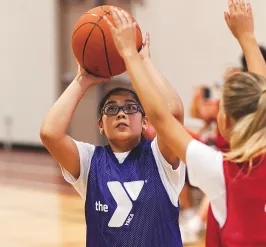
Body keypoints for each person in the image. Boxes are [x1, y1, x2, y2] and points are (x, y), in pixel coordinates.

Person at [104, 1, 266, 246]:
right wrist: (247, 37)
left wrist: (129, 56)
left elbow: (161, 119)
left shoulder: (221, 172)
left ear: (226, 120)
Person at [40, 33, 186, 246]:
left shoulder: (160, 157)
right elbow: (50, 133)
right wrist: (82, 80)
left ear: (145, 122)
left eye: (130, 107)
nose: (121, 113)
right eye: (112, 109)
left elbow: (173, 113)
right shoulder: (90, 162)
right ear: (101, 125)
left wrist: (143, 63)